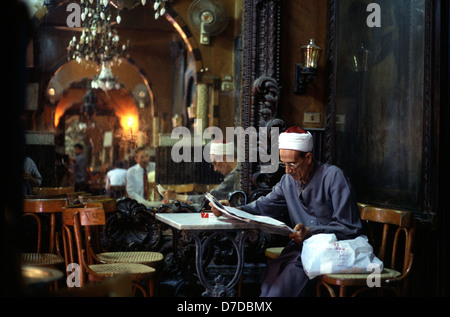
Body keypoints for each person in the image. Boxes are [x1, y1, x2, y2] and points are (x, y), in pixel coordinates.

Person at [211, 126, 363, 297]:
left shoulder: (333, 177)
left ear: (308, 157)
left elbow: (350, 227)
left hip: (328, 251)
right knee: (269, 278)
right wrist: (232, 210)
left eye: (292, 164)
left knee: (278, 291)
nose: (287, 170)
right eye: (284, 164)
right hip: (300, 249)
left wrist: (310, 232)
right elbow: (263, 206)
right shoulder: (287, 182)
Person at [163, 139, 240, 205]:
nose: (215, 169)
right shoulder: (238, 172)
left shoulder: (235, 175)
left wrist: (176, 197)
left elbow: (210, 198)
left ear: (224, 159)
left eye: (214, 163)